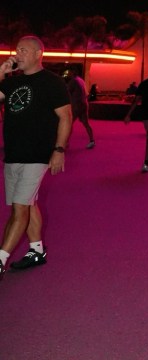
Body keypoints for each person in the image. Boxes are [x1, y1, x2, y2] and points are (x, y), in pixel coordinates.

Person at [0, 36, 72, 278]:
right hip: (13, 154)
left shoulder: (51, 82)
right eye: (16, 49)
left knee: (19, 209)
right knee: (26, 203)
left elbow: (65, 117)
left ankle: (0, 259)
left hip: (37, 154)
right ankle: (37, 251)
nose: (17, 54)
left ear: (37, 54)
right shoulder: (12, 83)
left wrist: (59, 150)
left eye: (23, 50)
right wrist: (1, 73)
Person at [64, 68, 95, 148]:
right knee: (86, 123)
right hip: (84, 103)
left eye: (69, 72)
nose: (68, 73)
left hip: (76, 105)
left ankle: (66, 142)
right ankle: (92, 140)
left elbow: (66, 91)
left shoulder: (73, 81)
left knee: (69, 123)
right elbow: (86, 94)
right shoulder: (81, 80)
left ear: (73, 72)